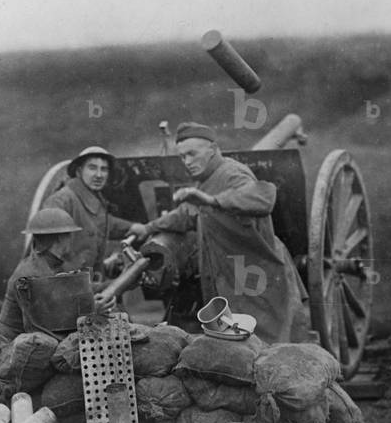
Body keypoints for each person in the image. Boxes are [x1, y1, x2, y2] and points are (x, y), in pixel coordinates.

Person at [127, 122, 308, 343]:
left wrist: (213, 201)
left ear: (213, 150)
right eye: (183, 157)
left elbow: (263, 198)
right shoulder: (207, 181)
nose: (187, 162)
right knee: (240, 343)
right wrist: (148, 228)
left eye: (192, 154)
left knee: (269, 341)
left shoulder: (233, 173)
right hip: (229, 275)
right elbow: (186, 214)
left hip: (257, 272)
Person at [0, 208, 113, 341]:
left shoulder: (55, 264)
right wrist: (92, 311)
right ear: (59, 238)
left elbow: (81, 290)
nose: (71, 239)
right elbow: (49, 326)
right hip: (16, 347)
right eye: (68, 235)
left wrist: (117, 283)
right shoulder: (31, 275)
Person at [41, 146, 135, 280]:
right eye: (92, 168)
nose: (99, 175)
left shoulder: (94, 200)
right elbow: (47, 258)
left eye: (104, 169)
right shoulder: (61, 201)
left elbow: (103, 222)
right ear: (79, 171)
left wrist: (132, 228)